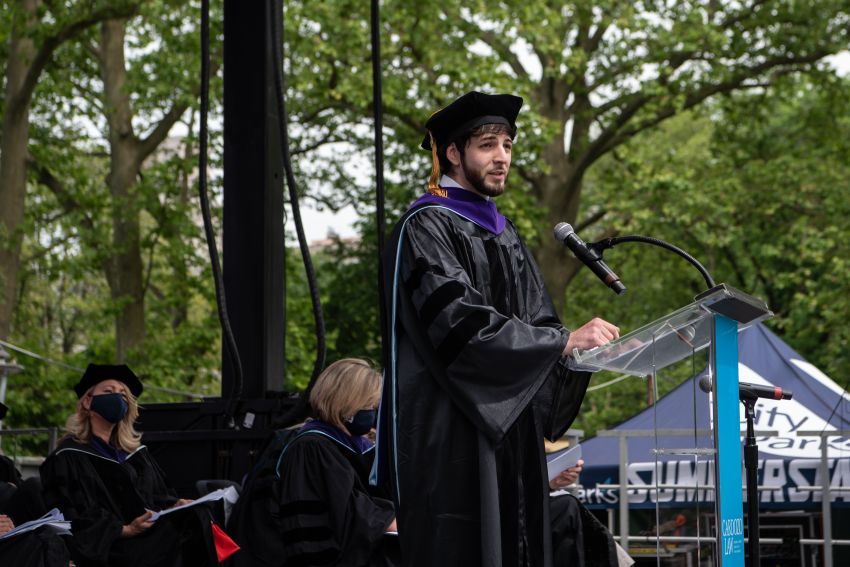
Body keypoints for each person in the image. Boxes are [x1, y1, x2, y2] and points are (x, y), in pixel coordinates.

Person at [374, 91, 620, 567]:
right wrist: (559, 342)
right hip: (450, 434)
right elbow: (460, 324)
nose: (502, 157)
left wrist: (573, 353)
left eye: (507, 145)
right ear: (452, 153)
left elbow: (541, 323)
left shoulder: (504, 234)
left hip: (511, 436)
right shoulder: (425, 227)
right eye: (488, 145)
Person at [40, 363, 219, 567]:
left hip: (148, 536)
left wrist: (173, 504)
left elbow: (157, 496)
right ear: (87, 402)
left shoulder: (136, 454)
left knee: (199, 515)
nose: (118, 397)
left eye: (123, 395)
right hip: (110, 547)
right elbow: (68, 515)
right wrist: (124, 529)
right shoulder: (67, 457)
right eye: (108, 391)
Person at [234, 358, 397, 567]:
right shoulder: (311, 448)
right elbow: (343, 514)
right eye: (367, 405)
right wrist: (388, 521)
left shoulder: (345, 444)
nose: (372, 413)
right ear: (345, 403)